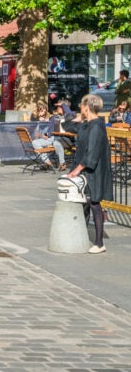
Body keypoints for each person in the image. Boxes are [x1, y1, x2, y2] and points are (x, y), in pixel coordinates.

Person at [67, 93, 112, 253]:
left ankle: (99, 242)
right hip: (84, 169)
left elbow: (92, 153)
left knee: (94, 204)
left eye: (81, 106)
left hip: (92, 172)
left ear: (87, 107)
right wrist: (76, 119)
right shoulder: (87, 124)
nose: (80, 108)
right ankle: (82, 238)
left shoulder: (97, 127)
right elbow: (67, 127)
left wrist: (77, 170)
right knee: (84, 204)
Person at [31, 104, 67, 170]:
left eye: (44, 111)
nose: (43, 113)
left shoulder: (53, 117)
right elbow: (36, 132)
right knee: (56, 143)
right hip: (49, 137)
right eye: (41, 111)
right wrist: (39, 119)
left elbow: (52, 128)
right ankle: (48, 162)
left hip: (53, 137)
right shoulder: (34, 117)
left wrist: (47, 134)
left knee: (57, 143)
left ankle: (58, 163)